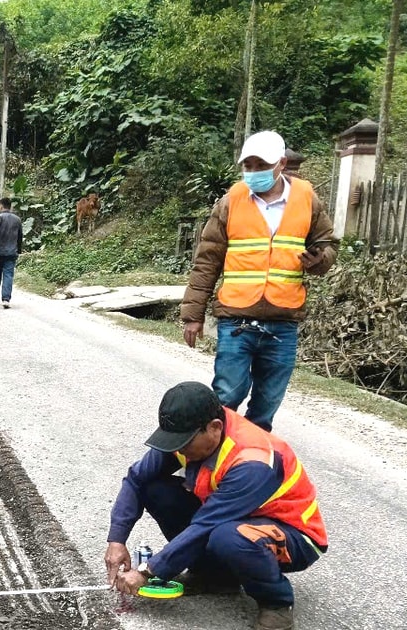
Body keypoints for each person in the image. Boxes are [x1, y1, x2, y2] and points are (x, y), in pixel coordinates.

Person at [106, 382, 327, 630]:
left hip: (293, 535)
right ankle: (215, 577)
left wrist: (147, 571)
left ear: (214, 428)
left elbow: (207, 524)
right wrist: (117, 539)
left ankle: (276, 603)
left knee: (229, 537)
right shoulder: (185, 435)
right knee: (155, 489)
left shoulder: (253, 459)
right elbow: (137, 479)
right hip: (234, 520)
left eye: (185, 443)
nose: (179, 450)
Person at [180, 130, 338, 431]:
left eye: (260, 165)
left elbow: (328, 245)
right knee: (227, 395)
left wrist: (319, 260)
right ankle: (211, 460)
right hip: (236, 320)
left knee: (266, 404)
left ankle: (247, 464)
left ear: (280, 163)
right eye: (247, 166)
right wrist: (192, 316)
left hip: (283, 320)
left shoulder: (306, 198)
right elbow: (206, 261)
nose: (252, 172)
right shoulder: (231, 201)